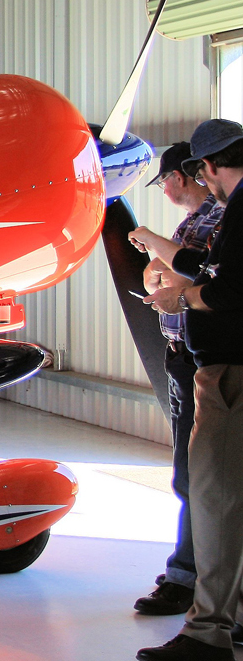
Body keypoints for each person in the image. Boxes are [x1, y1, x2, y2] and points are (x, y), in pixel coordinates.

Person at [139, 119, 243, 661]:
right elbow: (213, 267)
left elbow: (228, 288)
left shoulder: (237, 208)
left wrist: (180, 303)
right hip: (221, 367)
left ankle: (207, 632)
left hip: (230, 374)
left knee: (213, 499)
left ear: (207, 168)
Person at [127, 142, 225, 616]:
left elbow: (200, 273)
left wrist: (152, 244)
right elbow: (162, 276)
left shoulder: (219, 218)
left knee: (200, 476)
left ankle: (193, 580)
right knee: (191, 473)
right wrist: (158, 271)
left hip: (205, 360)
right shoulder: (195, 222)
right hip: (182, 357)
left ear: (185, 176)